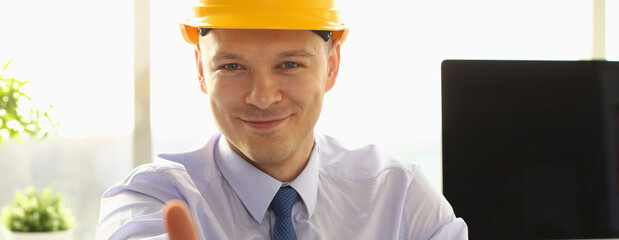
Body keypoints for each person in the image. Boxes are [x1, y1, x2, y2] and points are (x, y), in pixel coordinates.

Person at [96, 0, 468, 239]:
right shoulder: (149, 200)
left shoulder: (399, 195)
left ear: (331, 66)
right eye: (232, 66)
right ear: (200, 70)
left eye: (289, 64)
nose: (262, 96)